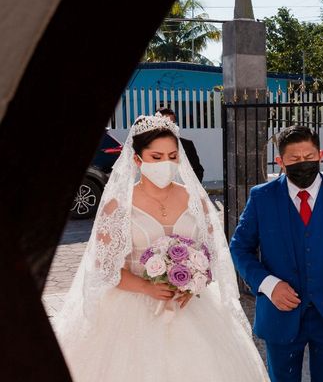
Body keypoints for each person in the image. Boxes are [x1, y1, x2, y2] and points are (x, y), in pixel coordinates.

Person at [54, 115, 268, 381]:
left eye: (172, 155)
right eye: (156, 157)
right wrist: (146, 286)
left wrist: (196, 283)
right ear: (137, 160)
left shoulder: (195, 200)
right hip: (131, 309)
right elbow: (105, 266)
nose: (165, 163)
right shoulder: (117, 206)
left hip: (192, 307)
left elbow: (212, 253)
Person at [230, 126, 323, 382]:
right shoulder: (262, 197)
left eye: (308, 157)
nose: (303, 164)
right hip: (280, 314)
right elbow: (239, 247)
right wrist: (269, 284)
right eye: (294, 159)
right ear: (280, 162)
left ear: (320, 154)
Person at [157, 107, 205, 182]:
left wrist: (191, 189)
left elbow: (198, 170)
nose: (169, 127)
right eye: (165, 123)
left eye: (171, 123)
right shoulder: (148, 147)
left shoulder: (187, 145)